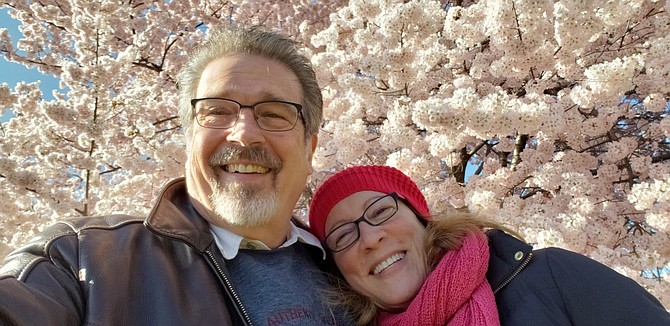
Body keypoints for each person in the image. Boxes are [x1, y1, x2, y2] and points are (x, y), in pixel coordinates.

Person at [0, 26, 353, 325]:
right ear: (188, 138)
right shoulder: (81, 260)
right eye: (217, 111)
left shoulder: (356, 269)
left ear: (310, 148)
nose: (245, 134)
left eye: (275, 114)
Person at [308, 165, 670, 326]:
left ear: (421, 218)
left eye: (382, 211)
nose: (371, 238)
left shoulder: (551, 279)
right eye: (343, 237)